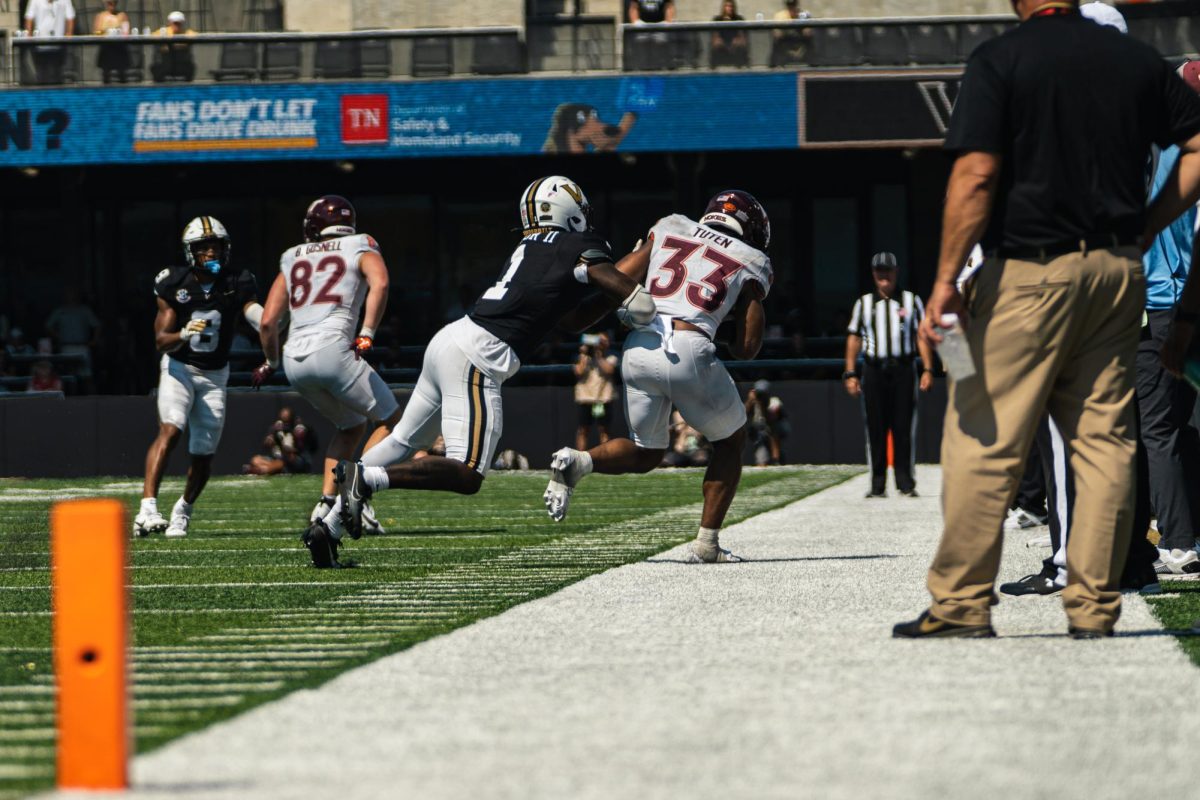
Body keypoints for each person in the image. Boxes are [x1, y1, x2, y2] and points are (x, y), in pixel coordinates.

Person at [894, 0, 1200, 640]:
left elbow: (976, 176)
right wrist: (1146, 226)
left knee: (983, 435)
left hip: (1029, 270)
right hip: (1117, 274)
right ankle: (1093, 607)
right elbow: (1197, 147)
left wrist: (946, 281)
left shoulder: (1002, 58)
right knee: (1104, 440)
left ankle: (960, 606)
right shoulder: (1134, 59)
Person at [312, 176, 654, 568]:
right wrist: (639, 285)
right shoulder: (573, 244)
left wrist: (622, 287)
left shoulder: (534, 246)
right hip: (479, 354)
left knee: (404, 439)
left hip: (453, 339)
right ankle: (366, 479)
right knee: (468, 473)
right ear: (567, 209)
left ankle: (329, 524)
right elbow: (620, 289)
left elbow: (574, 320)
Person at [543, 189, 772, 563]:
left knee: (646, 451)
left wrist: (577, 318)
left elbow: (620, 278)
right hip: (689, 347)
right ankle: (707, 544)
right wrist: (731, 320)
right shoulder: (752, 259)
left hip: (639, 345)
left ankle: (578, 461)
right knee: (730, 441)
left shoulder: (671, 225)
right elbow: (747, 347)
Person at [255, 195, 404, 543]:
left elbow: (267, 322)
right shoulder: (359, 244)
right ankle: (359, 492)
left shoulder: (292, 257)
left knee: (351, 425)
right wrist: (367, 333)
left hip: (294, 359)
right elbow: (380, 282)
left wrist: (271, 363)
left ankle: (325, 503)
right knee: (390, 421)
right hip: (334, 349)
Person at [133, 217, 263, 539]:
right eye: (203, 247)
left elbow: (252, 310)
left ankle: (183, 509)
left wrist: (269, 324)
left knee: (203, 454)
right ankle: (147, 508)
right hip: (179, 367)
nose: (210, 252)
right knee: (171, 428)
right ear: (191, 252)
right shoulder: (174, 282)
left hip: (215, 375)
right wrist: (182, 332)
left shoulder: (238, 281)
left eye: (215, 245)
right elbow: (161, 340)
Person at [1139, 60, 1200, 575]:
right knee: (1182, 426)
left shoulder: (1171, 155)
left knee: (1158, 428)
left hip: (1166, 303)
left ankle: (1178, 541)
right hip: (1185, 300)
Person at [843, 252, 934, 498]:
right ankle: (877, 484)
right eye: (879, 271)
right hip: (874, 369)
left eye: (888, 271)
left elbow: (921, 335)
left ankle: (905, 483)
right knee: (875, 427)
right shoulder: (864, 304)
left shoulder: (910, 301)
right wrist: (850, 372)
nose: (884, 276)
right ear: (873, 274)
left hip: (904, 369)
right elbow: (854, 337)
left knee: (904, 426)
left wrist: (927, 368)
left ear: (896, 272)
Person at [45, 286, 100, 394]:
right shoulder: (60, 311)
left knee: (87, 376)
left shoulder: (84, 310)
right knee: (69, 377)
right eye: (68, 294)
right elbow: (48, 325)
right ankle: (71, 402)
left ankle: (93, 401)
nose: (71, 296)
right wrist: (58, 336)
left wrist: (94, 340)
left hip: (82, 346)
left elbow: (97, 325)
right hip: (66, 347)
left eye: (73, 293)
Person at [573, 332, 618, 450]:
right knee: (583, 429)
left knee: (603, 429)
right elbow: (579, 372)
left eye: (603, 341)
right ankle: (580, 458)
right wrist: (584, 354)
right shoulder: (582, 358)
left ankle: (606, 458)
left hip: (601, 400)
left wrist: (598, 356)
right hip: (586, 399)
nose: (600, 344)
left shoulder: (610, 357)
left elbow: (609, 370)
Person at [243, 407, 316, 476]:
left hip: (293, 461)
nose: (285, 424)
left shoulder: (297, 431)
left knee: (282, 461)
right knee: (256, 459)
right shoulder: (275, 428)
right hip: (277, 458)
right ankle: (264, 469)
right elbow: (266, 444)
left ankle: (260, 470)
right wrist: (269, 441)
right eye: (283, 420)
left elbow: (300, 451)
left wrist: (287, 448)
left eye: (287, 421)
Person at [23, 0, 75, 86]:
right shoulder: (34, 1)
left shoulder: (65, 1)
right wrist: (29, 36)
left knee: (57, 74)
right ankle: (43, 95)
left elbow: (70, 17)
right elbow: (29, 18)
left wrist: (68, 34)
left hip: (58, 45)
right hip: (40, 45)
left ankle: (57, 95)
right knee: (42, 75)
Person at [746, 378, 788, 465]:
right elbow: (744, 414)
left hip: (774, 431)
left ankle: (777, 459)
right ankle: (766, 461)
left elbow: (771, 419)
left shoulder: (775, 401)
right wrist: (750, 400)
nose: (761, 395)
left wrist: (762, 405)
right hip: (759, 433)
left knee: (773, 431)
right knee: (761, 454)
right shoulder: (753, 402)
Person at [627, 0, 675, 71]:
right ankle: (641, 71)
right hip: (642, 25)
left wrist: (667, 24)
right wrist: (636, 23)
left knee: (660, 48)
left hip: (660, 24)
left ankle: (660, 71)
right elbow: (633, 7)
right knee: (642, 49)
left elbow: (669, 6)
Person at [151, 11, 195, 82]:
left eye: (179, 23)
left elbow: (195, 36)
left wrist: (178, 45)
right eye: (175, 23)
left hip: (182, 65)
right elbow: (152, 36)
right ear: (170, 23)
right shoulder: (164, 31)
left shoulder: (186, 32)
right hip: (165, 64)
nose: (177, 25)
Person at [93, 0, 131, 83]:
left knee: (122, 75)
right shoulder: (101, 16)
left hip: (120, 48)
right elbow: (96, 32)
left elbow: (126, 32)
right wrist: (105, 32)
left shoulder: (122, 15)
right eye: (109, 2)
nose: (111, 4)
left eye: (113, 2)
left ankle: (123, 89)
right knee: (106, 73)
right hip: (106, 49)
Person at [771, 0, 810, 67]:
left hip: (800, 49)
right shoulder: (781, 16)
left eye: (793, 5)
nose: (792, 8)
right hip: (785, 49)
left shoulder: (802, 15)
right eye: (789, 5)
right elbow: (776, 34)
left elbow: (808, 33)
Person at [710, 0, 748, 68]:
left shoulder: (739, 19)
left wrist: (737, 40)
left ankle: (740, 68)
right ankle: (714, 69)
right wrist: (720, 42)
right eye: (727, 6)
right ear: (723, 7)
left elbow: (742, 37)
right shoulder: (717, 19)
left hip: (734, 45)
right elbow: (715, 37)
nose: (729, 8)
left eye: (731, 6)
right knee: (717, 44)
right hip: (722, 45)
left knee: (740, 44)